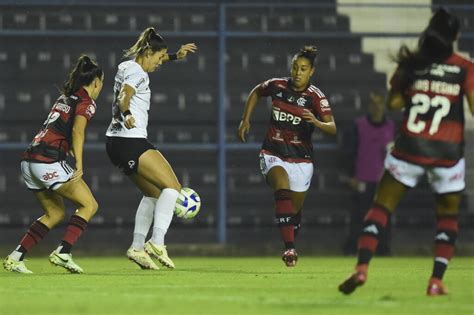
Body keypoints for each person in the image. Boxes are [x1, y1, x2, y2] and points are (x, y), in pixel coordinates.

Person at [339, 7, 474, 296]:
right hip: (447, 152)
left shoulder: (412, 64)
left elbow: (394, 104)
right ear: (455, 37)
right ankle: (436, 281)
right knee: (447, 217)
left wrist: (419, 88)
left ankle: (361, 269)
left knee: (380, 208)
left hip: (409, 148)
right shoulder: (463, 67)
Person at [105, 27, 197, 270]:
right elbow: (124, 97)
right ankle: (157, 242)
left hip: (114, 142)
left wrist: (175, 55)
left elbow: (149, 64)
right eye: (158, 57)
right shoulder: (139, 74)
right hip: (131, 139)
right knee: (173, 188)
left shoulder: (127, 66)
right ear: (148, 52)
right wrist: (126, 114)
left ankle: (137, 247)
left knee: (154, 194)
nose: (159, 63)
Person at [3, 55, 104, 274]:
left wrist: (65, 146)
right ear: (95, 81)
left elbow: (58, 129)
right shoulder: (87, 102)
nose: (101, 88)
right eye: (101, 83)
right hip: (48, 161)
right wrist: (79, 163)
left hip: (29, 161)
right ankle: (63, 251)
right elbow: (78, 130)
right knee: (90, 205)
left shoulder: (65, 98)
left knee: (55, 212)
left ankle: (15, 257)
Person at [238, 46, 337, 267]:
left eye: (303, 69)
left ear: (311, 72)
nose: (297, 72)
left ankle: (291, 239)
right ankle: (289, 249)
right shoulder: (277, 86)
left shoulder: (316, 97)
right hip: (273, 152)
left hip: (302, 159)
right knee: (280, 184)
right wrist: (246, 119)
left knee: (294, 210)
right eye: (295, 67)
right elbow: (257, 91)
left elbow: (332, 127)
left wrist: (317, 122)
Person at [343, 92, 395, 255]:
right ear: (369, 106)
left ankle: (382, 249)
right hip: (362, 180)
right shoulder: (359, 126)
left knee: (384, 218)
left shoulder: (391, 127)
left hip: (383, 181)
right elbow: (349, 152)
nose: (377, 107)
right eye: (373, 103)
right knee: (359, 218)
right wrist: (351, 176)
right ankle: (353, 248)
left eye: (379, 103)